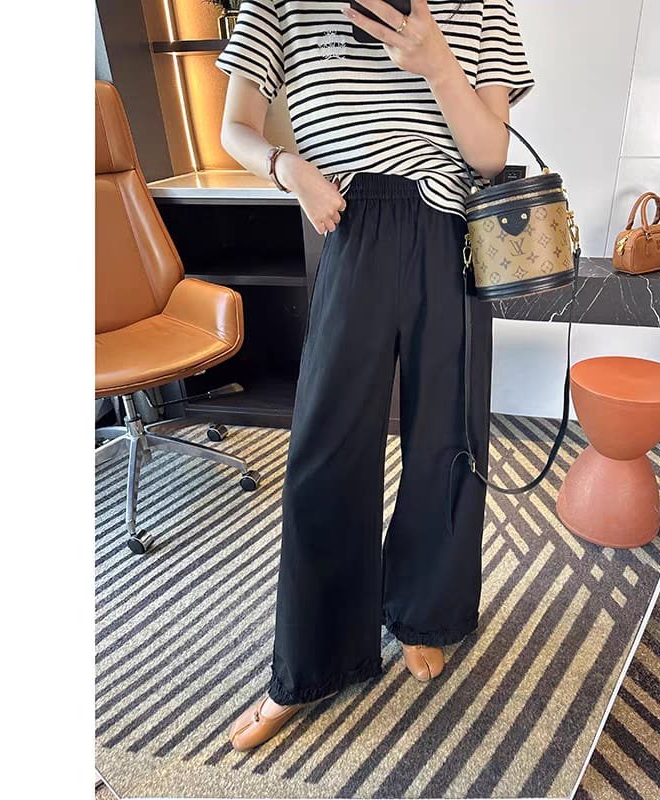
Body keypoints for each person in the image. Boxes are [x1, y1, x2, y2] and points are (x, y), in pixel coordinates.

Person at [216, 0, 535, 750]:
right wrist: (288, 168)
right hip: (348, 219)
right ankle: (312, 660)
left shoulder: (483, 5)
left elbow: (490, 155)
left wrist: (436, 61)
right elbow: (234, 127)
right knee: (323, 450)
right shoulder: (281, 4)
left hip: (449, 231)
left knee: (447, 439)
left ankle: (423, 613)